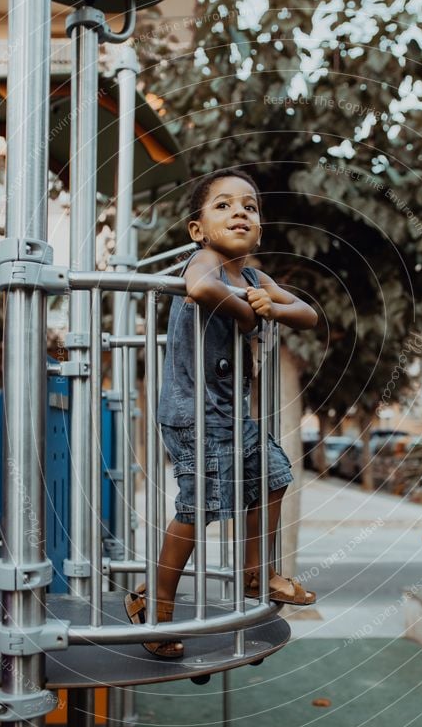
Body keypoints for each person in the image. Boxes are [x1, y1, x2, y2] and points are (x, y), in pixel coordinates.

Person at [124, 168, 319, 658]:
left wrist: (273, 305)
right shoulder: (205, 260)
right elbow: (200, 290)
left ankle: (256, 572)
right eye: (224, 205)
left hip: (231, 414)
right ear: (198, 228)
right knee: (201, 506)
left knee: (273, 474)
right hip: (194, 413)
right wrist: (248, 312)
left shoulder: (257, 276)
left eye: (250, 207)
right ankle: (155, 603)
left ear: (259, 226)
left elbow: (308, 314)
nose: (239, 213)